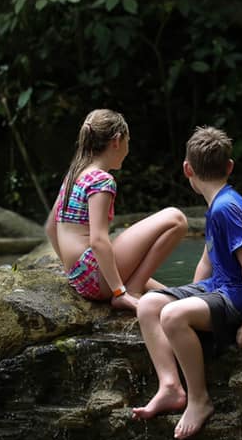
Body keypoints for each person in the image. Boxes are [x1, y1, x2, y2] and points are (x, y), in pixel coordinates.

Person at [132, 126, 242, 440]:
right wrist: (194, 296)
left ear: (187, 169)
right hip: (218, 288)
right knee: (148, 304)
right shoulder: (219, 205)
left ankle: (199, 398)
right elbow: (208, 259)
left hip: (238, 298)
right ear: (230, 167)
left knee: (172, 315)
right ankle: (170, 385)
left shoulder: (227, 208)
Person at [45, 109, 187, 311]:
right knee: (176, 218)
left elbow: (51, 227)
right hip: (95, 277)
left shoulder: (74, 173)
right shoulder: (101, 180)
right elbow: (98, 241)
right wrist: (119, 291)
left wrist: (73, 271)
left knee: (171, 295)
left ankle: (164, 298)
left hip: (80, 276)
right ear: (117, 140)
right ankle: (132, 291)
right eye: (128, 142)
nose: (128, 150)